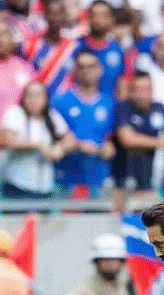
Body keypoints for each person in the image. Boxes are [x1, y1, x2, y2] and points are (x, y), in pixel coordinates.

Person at [0, 79, 76, 203]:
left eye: (38, 96)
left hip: (45, 186)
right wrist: (38, 146)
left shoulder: (51, 116)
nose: (34, 100)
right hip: (18, 185)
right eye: (30, 96)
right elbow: (9, 141)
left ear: (45, 99)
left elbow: (70, 139)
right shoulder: (15, 113)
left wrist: (60, 148)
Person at [52, 49, 116, 198]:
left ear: (99, 69)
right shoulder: (60, 102)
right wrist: (78, 145)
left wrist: (109, 146)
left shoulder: (109, 103)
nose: (86, 71)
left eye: (91, 66)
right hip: (66, 179)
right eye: (81, 67)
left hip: (99, 179)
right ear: (75, 70)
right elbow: (54, 138)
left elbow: (110, 137)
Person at [112, 71, 164, 213]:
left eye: (146, 89)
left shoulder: (160, 108)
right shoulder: (123, 108)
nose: (141, 95)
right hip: (127, 183)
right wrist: (161, 142)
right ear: (131, 91)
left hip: (158, 181)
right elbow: (127, 139)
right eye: (137, 90)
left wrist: (143, 142)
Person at [19, 0, 77, 98]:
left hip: (63, 104)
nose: (56, 18)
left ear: (64, 17)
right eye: (52, 14)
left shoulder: (73, 47)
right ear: (45, 15)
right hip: (36, 103)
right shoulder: (30, 44)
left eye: (59, 14)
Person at [76, 1, 125, 98]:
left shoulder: (117, 49)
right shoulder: (76, 46)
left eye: (103, 15)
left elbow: (122, 83)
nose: (98, 20)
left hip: (109, 108)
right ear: (88, 18)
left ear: (111, 19)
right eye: (94, 15)